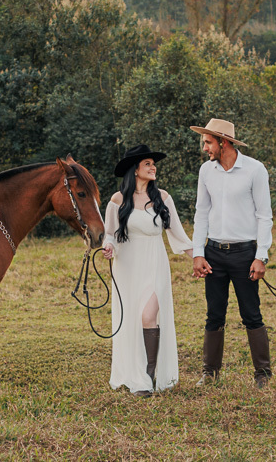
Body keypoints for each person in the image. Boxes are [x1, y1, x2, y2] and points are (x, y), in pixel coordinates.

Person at [101, 144, 193, 395]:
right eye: (148, 164)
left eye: (154, 164)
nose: (153, 168)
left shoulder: (163, 197)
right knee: (132, 318)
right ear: (135, 169)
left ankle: (148, 375)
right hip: (127, 266)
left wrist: (198, 258)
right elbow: (109, 233)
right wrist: (108, 247)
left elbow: (179, 235)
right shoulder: (118, 200)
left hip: (154, 262)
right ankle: (137, 375)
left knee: (148, 315)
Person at [189, 118, 274, 388]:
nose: (205, 148)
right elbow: (201, 213)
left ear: (223, 142)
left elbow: (264, 216)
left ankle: (263, 374)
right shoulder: (206, 171)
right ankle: (210, 373)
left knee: (251, 313)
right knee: (214, 313)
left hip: (244, 254)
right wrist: (197, 253)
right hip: (213, 253)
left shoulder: (255, 170)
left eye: (208, 142)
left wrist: (261, 256)